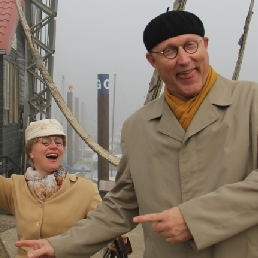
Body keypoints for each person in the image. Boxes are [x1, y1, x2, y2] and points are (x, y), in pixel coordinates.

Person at [16, 10, 258, 258]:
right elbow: (122, 205)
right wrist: (59, 245)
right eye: (169, 51)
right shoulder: (138, 127)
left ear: (205, 45)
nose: (184, 59)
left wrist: (194, 219)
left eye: (190, 45)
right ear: (152, 61)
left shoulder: (251, 102)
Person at [0, 119, 128, 257]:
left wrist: (118, 241)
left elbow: (104, 224)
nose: (54, 146)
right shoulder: (14, 186)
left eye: (58, 142)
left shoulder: (85, 190)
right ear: (31, 151)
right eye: (45, 142)